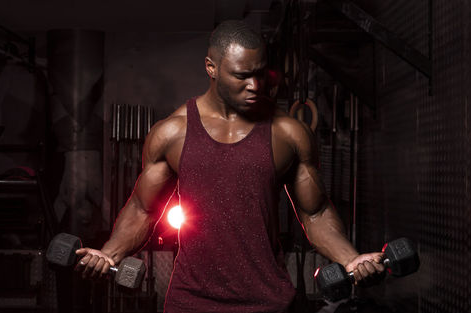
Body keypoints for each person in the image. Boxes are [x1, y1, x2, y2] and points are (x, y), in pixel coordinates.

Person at [75, 20, 385, 312]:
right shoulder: (173, 133)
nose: (254, 85)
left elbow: (315, 212)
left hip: (268, 302)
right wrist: (109, 253)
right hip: (190, 303)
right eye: (241, 75)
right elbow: (143, 208)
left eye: (260, 73)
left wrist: (351, 259)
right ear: (211, 68)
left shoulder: (288, 133)